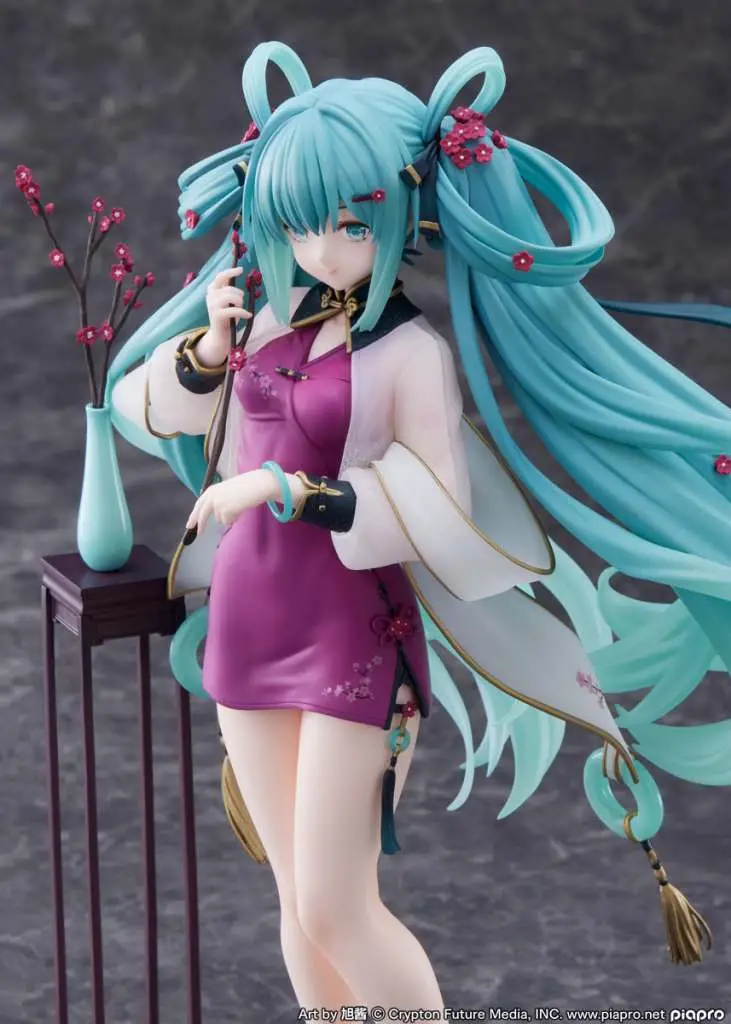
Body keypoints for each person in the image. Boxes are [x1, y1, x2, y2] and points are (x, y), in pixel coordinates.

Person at [108, 40, 730, 1012]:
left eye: (351, 225)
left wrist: (284, 490)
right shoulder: (265, 322)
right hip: (246, 622)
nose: (322, 250)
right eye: (298, 224)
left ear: (402, 215)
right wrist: (208, 353)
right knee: (292, 901)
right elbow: (146, 409)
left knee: (337, 906)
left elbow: (434, 504)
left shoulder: (407, 353)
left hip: (351, 635)